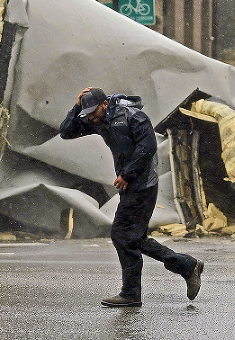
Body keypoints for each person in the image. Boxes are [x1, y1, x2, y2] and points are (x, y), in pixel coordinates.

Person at [60, 87, 204, 308]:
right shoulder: (98, 119)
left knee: (122, 235)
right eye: (87, 112)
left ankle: (131, 293)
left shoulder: (132, 116)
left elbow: (147, 148)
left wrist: (127, 174)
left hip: (143, 184)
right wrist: (77, 106)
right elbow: (66, 132)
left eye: (93, 111)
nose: (90, 117)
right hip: (130, 184)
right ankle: (186, 266)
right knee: (133, 238)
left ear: (105, 104)